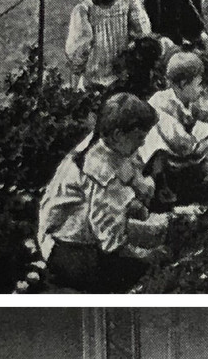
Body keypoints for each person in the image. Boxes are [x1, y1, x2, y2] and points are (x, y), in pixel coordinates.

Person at [37, 93, 169, 292]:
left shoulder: (103, 143)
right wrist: (144, 255)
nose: (142, 143)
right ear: (118, 135)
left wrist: (137, 195)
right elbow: (109, 238)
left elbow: (124, 172)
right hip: (66, 250)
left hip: (70, 232)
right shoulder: (99, 171)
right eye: (139, 137)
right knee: (136, 271)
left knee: (150, 233)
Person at [140, 49, 208, 204]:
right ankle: (165, 188)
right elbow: (180, 142)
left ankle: (205, 185)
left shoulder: (184, 100)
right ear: (183, 84)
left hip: (179, 150)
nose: (202, 89)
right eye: (199, 84)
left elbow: (204, 117)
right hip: (163, 159)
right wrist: (206, 144)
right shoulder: (161, 104)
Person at [65, 0, 151, 93]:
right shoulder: (84, 10)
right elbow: (79, 50)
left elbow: (143, 34)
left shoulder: (129, 1)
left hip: (121, 79)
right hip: (96, 81)